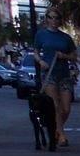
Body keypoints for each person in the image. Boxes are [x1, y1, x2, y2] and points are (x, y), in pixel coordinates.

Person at [33, 9, 77, 147]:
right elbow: (35, 51)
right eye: (50, 18)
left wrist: (64, 56)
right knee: (55, 105)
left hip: (63, 74)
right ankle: (61, 135)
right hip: (49, 73)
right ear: (46, 19)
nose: (53, 21)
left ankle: (55, 129)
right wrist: (40, 61)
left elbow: (74, 55)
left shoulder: (65, 38)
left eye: (56, 18)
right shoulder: (41, 35)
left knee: (66, 108)